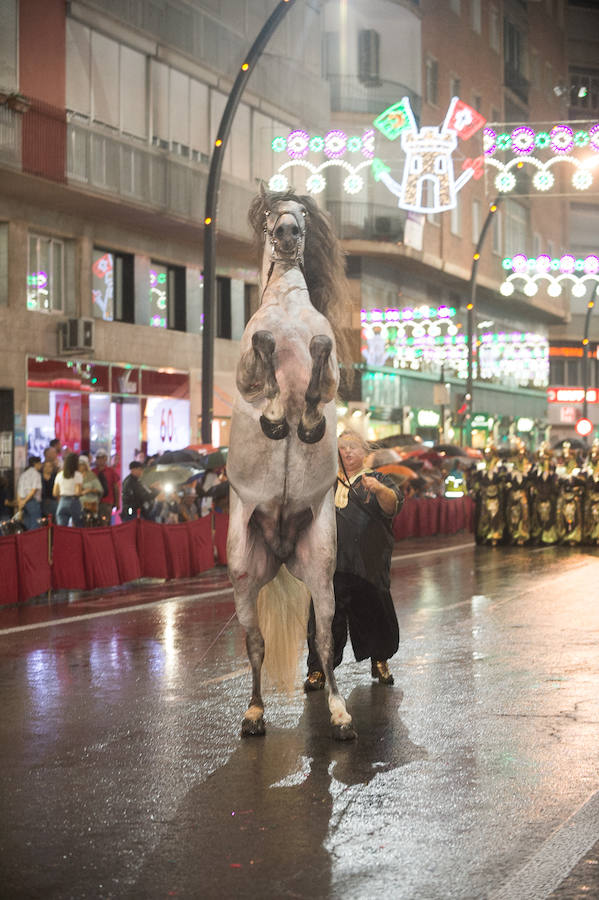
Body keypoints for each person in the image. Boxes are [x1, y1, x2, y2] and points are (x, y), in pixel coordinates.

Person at [304, 430, 403, 690]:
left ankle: (380, 661)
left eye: (353, 447)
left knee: (376, 613)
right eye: (342, 447)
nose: (347, 451)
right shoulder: (325, 482)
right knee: (323, 618)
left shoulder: (378, 479)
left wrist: (379, 490)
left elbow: (392, 506)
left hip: (367, 565)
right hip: (330, 565)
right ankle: (318, 669)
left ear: (365, 452)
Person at [53, 451, 83, 526]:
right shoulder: (78, 475)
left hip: (62, 501)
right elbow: (78, 492)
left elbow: (55, 493)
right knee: (78, 526)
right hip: (74, 501)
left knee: (61, 527)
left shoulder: (59, 475)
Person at [93, 449, 120, 525]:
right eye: (98, 458)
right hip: (94, 502)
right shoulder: (92, 472)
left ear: (106, 459)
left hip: (107, 502)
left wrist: (117, 502)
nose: (100, 460)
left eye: (102, 457)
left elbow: (115, 487)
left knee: (105, 523)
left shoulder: (111, 471)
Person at [17, 456, 42, 530]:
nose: (41, 465)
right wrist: (25, 501)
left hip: (23, 502)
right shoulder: (36, 474)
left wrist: (20, 504)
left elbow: (19, 491)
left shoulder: (23, 474)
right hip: (32, 502)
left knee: (27, 526)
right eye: (40, 463)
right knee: (35, 526)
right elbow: (34, 490)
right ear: (35, 464)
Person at [41, 447, 59, 520]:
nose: (48, 468)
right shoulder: (39, 476)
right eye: (46, 466)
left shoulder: (55, 476)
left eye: (50, 467)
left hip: (53, 501)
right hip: (42, 502)